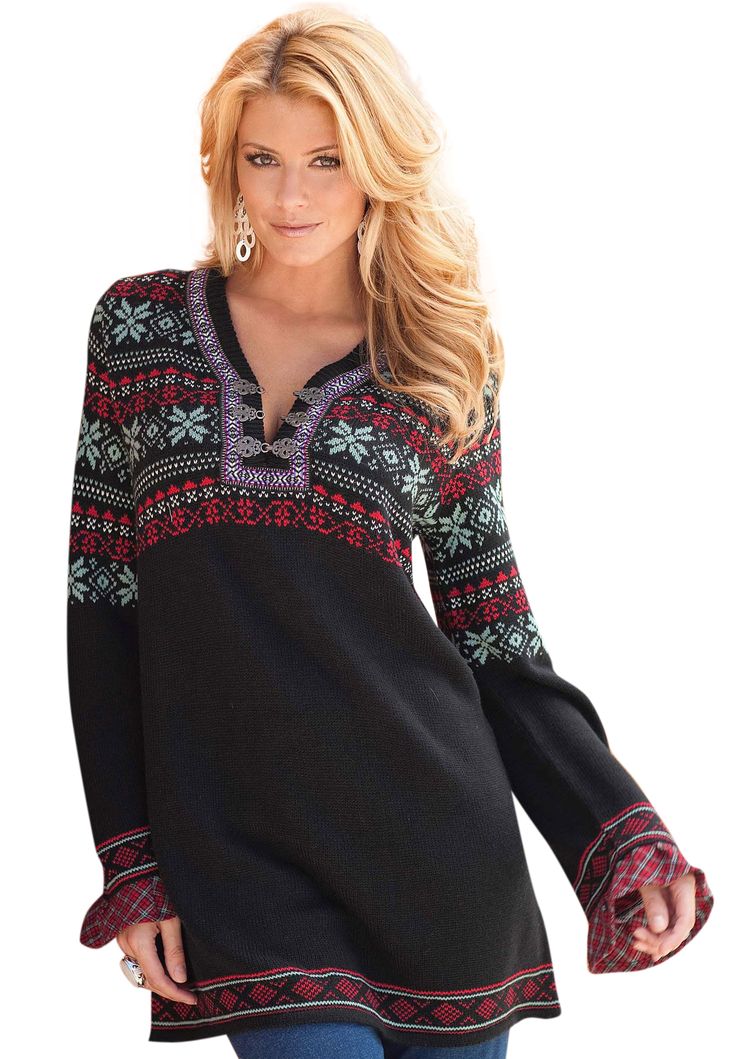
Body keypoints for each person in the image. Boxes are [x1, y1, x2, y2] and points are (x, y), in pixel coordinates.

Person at [66, 6, 713, 1057]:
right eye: (262, 158)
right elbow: (102, 609)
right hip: (241, 866)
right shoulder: (138, 332)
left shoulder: (439, 361)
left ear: (378, 164)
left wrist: (619, 833)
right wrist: (129, 862)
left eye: (326, 161)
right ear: (225, 164)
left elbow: (492, 635)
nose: (289, 196)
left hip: (442, 867)